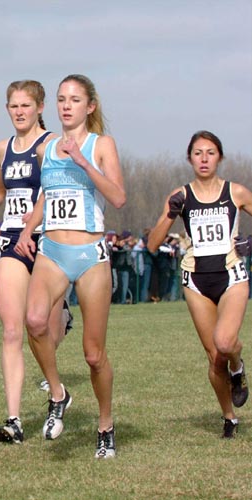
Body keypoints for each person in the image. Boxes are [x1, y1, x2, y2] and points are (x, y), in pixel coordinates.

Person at [15, 74, 125, 459]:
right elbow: (47, 196)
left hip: (90, 254)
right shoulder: (47, 149)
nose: (66, 105)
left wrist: (84, 162)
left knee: (94, 355)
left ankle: (106, 426)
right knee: (34, 321)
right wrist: (28, 230)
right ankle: (58, 394)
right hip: (51, 252)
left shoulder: (101, 144)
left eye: (74, 99)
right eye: (61, 98)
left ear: (89, 106)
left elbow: (118, 196)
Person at [0, 80, 71, 443]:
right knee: (13, 331)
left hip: (48, 240)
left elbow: (55, 190)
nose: (19, 111)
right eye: (14, 105)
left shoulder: (53, 145)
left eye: (26, 105)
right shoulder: (2, 148)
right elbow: (0, 188)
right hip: (12, 238)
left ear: (40, 107)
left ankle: (62, 321)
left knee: (44, 330)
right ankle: (13, 419)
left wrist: (34, 226)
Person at [147, 130, 250, 438]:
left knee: (225, 342)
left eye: (210, 153)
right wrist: (170, 214)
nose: (204, 159)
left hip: (231, 275)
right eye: (198, 153)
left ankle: (238, 365)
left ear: (220, 157)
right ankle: (229, 417)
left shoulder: (236, 192)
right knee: (214, 357)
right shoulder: (180, 195)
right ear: (189, 158)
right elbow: (153, 243)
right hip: (196, 279)